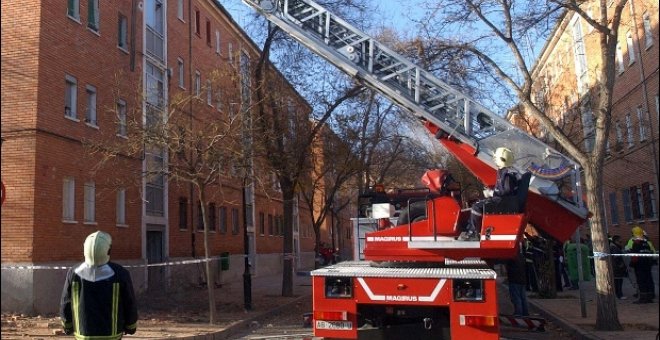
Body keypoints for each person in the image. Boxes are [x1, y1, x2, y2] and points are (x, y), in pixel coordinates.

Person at [60, 231, 138, 338]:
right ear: (108, 251)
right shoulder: (120, 273)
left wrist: (67, 326)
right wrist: (131, 326)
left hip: (83, 335)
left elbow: (66, 302)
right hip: (112, 335)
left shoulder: (74, 273)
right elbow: (129, 303)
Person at [460, 147, 519, 241]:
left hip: (502, 202)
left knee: (476, 207)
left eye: (496, 158)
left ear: (502, 159)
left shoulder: (507, 175)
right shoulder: (506, 172)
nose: (495, 160)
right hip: (503, 201)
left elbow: (506, 191)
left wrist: (492, 193)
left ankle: (473, 233)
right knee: (479, 203)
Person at [625, 226, 656, 304]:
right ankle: (650, 297)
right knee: (648, 280)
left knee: (641, 281)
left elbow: (634, 254)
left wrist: (632, 264)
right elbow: (651, 252)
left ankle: (643, 298)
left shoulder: (635, 242)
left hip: (639, 265)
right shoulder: (646, 242)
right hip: (647, 264)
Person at [506, 245, 530, 316]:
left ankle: (518, 313)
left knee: (517, 298)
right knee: (523, 297)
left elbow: (509, 267)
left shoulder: (512, 257)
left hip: (514, 280)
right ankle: (525, 312)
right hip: (522, 279)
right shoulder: (521, 256)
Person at [609, 235, 628, 299]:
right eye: (620, 240)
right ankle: (619, 295)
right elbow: (616, 257)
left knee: (617, 281)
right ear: (616, 241)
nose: (621, 241)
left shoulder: (614, 246)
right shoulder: (614, 247)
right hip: (617, 267)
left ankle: (618, 294)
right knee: (618, 281)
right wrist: (620, 264)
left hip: (615, 267)